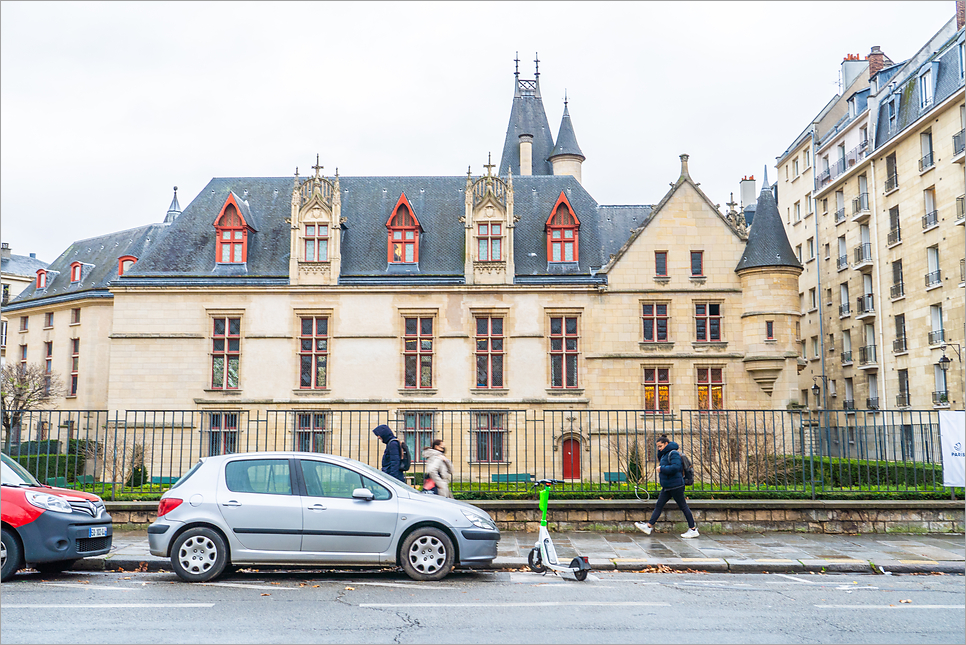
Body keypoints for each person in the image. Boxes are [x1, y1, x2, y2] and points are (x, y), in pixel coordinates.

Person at [635, 434, 699, 538]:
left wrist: (662, 469)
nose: (659, 449)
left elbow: (676, 467)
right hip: (668, 486)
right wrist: (660, 452)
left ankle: (693, 529)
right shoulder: (665, 454)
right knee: (659, 505)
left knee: (683, 506)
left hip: (676, 485)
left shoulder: (673, 453)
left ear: (666, 444)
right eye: (657, 447)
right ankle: (649, 526)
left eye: (660, 446)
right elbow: (662, 459)